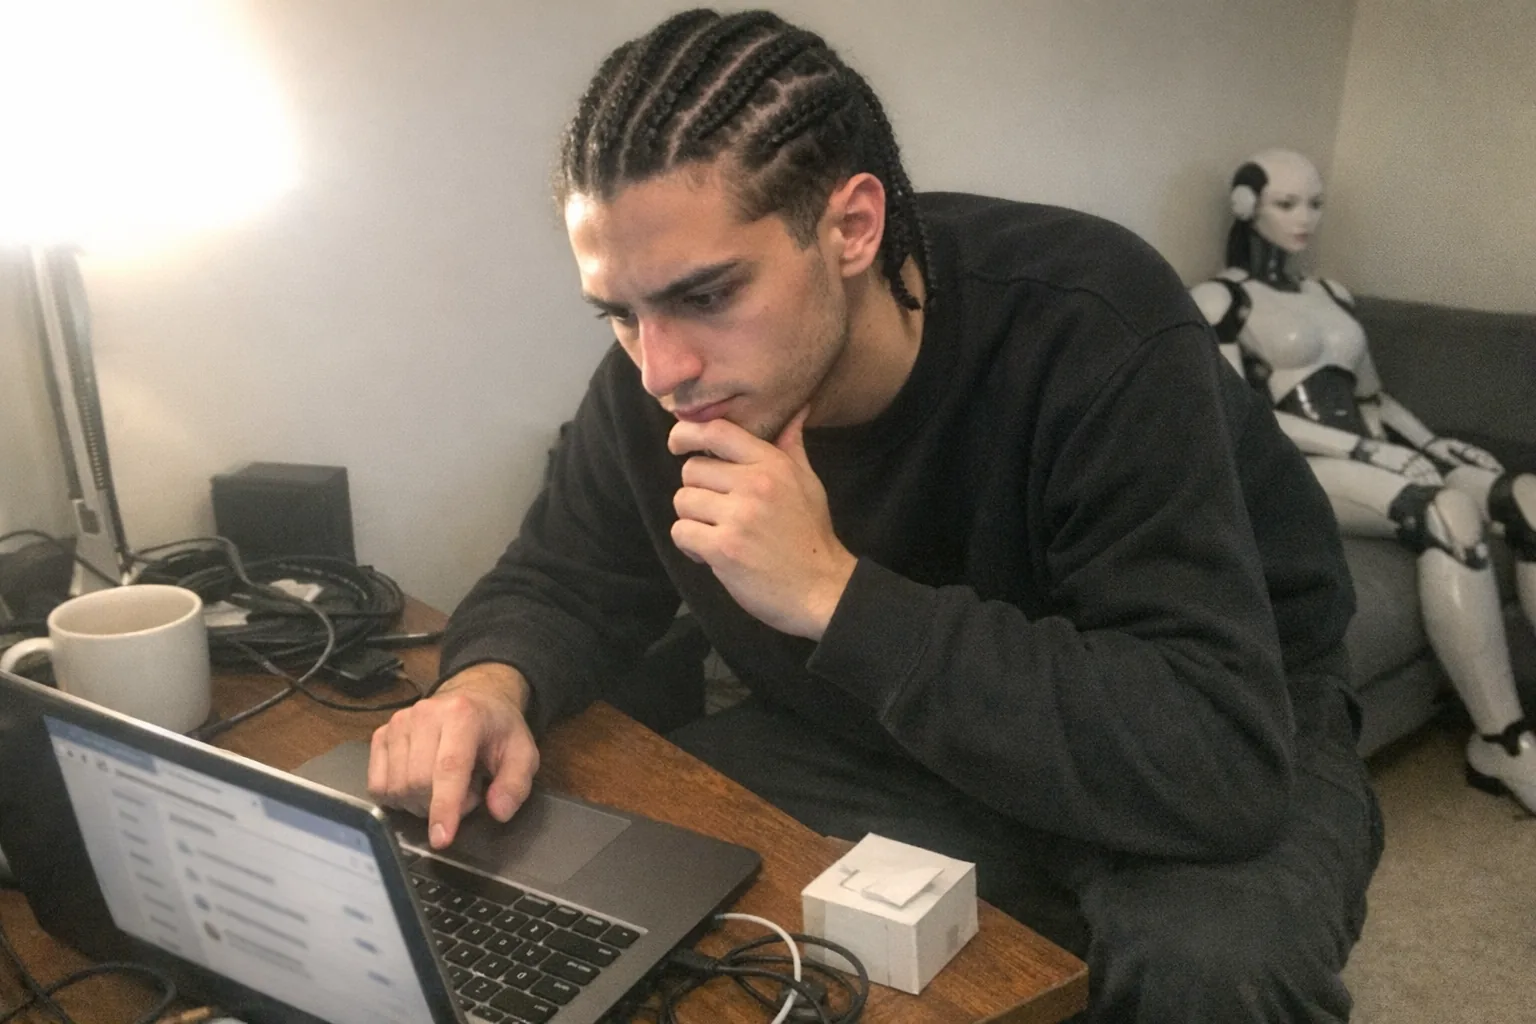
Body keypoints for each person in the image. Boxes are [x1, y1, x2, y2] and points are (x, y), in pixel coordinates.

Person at [370, 12, 1382, 1020]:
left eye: (708, 294)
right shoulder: (672, 379)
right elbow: (565, 576)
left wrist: (831, 592)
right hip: (876, 726)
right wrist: (488, 686)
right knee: (604, 848)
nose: (662, 367)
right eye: (622, 312)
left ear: (852, 226)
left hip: (1208, 718)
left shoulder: (1091, 324)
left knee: (1216, 971)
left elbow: (1214, 753)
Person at [1191, 149, 1536, 813]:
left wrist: (1432, 443)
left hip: (1370, 451)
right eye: (1286, 203)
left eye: (1314, 203)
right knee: (1445, 514)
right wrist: (1371, 454)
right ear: (1245, 206)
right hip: (1302, 465)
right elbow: (1244, 421)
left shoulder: (1331, 294)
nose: (1306, 219)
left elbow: (1374, 399)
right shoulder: (1220, 300)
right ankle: (1504, 742)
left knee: (1525, 498)